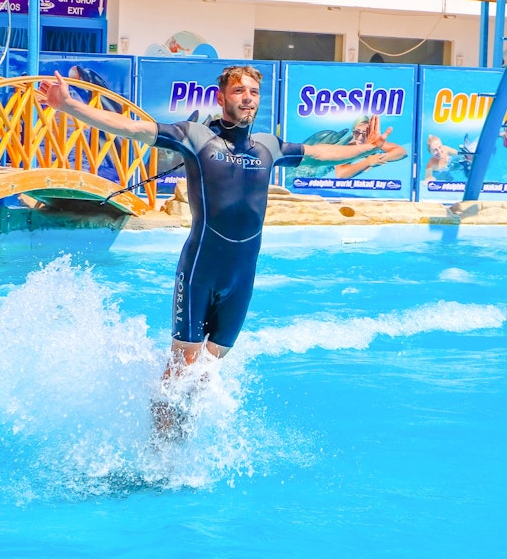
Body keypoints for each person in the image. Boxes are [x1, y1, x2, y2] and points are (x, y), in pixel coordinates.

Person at [38, 66, 393, 433]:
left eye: (254, 92)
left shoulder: (268, 147)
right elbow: (132, 128)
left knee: (207, 370)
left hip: (242, 276)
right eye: (239, 91)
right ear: (221, 98)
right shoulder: (195, 137)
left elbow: (319, 154)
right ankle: (158, 448)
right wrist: (69, 106)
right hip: (200, 270)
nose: (248, 98)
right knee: (182, 366)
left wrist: (366, 147)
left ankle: (182, 446)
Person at [333, 116, 407, 179]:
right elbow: (340, 174)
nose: (360, 137)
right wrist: (367, 162)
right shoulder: (347, 148)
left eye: (365, 133)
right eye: (357, 132)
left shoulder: (373, 143)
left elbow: (401, 151)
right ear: (353, 132)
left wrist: (377, 159)